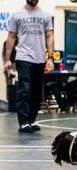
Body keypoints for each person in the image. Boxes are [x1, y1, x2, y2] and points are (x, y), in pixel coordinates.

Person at [4, 0, 54, 132]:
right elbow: (11, 36)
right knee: (24, 89)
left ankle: (31, 120)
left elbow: (49, 36)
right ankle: (23, 122)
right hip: (23, 56)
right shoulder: (17, 14)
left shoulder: (46, 15)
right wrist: (7, 59)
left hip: (40, 58)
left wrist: (50, 58)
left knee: (36, 91)